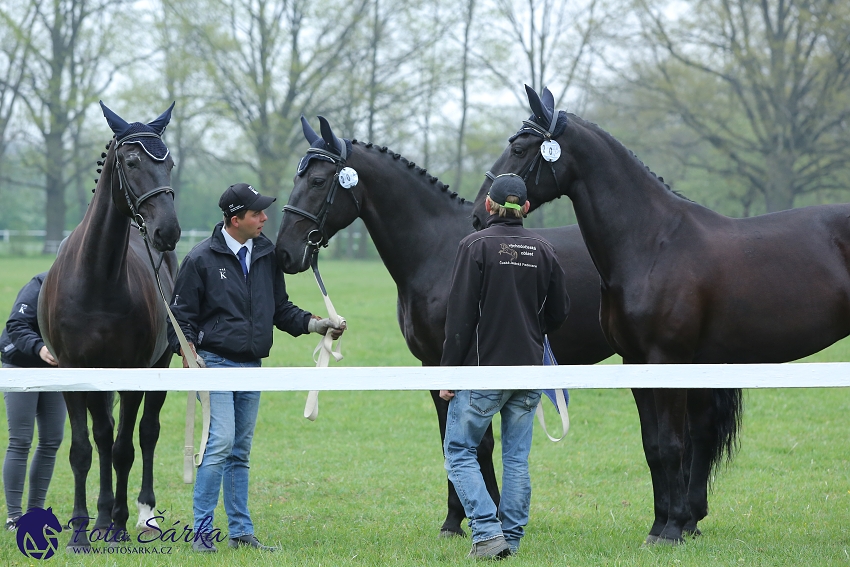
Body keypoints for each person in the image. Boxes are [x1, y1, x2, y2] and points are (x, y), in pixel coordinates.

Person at [168, 183, 344, 552]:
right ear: (236, 220)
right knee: (220, 443)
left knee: (239, 452)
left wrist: (316, 324)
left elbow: (280, 309)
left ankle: (241, 533)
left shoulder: (265, 253)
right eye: (257, 213)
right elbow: (180, 319)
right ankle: (202, 533)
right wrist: (188, 353)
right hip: (213, 363)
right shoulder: (200, 259)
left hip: (252, 364)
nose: (265, 218)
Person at [440, 173, 569, 559]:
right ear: (526, 208)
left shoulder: (474, 246)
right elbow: (560, 312)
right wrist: (531, 331)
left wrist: (448, 374)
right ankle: (510, 539)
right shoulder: (544, 248)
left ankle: (486, 530)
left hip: (483, 372)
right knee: (516, 457)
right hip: (529, 370)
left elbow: (459, 317)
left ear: (488, 206)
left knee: (459, 451)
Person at [0, 272, 66, 532]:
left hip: (55, 371)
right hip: (20, 366)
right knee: (21, 440)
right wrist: (39, 347)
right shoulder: (41, 283)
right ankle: (14, 517)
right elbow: (16, 324)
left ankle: (35, 513)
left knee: (51, 440)